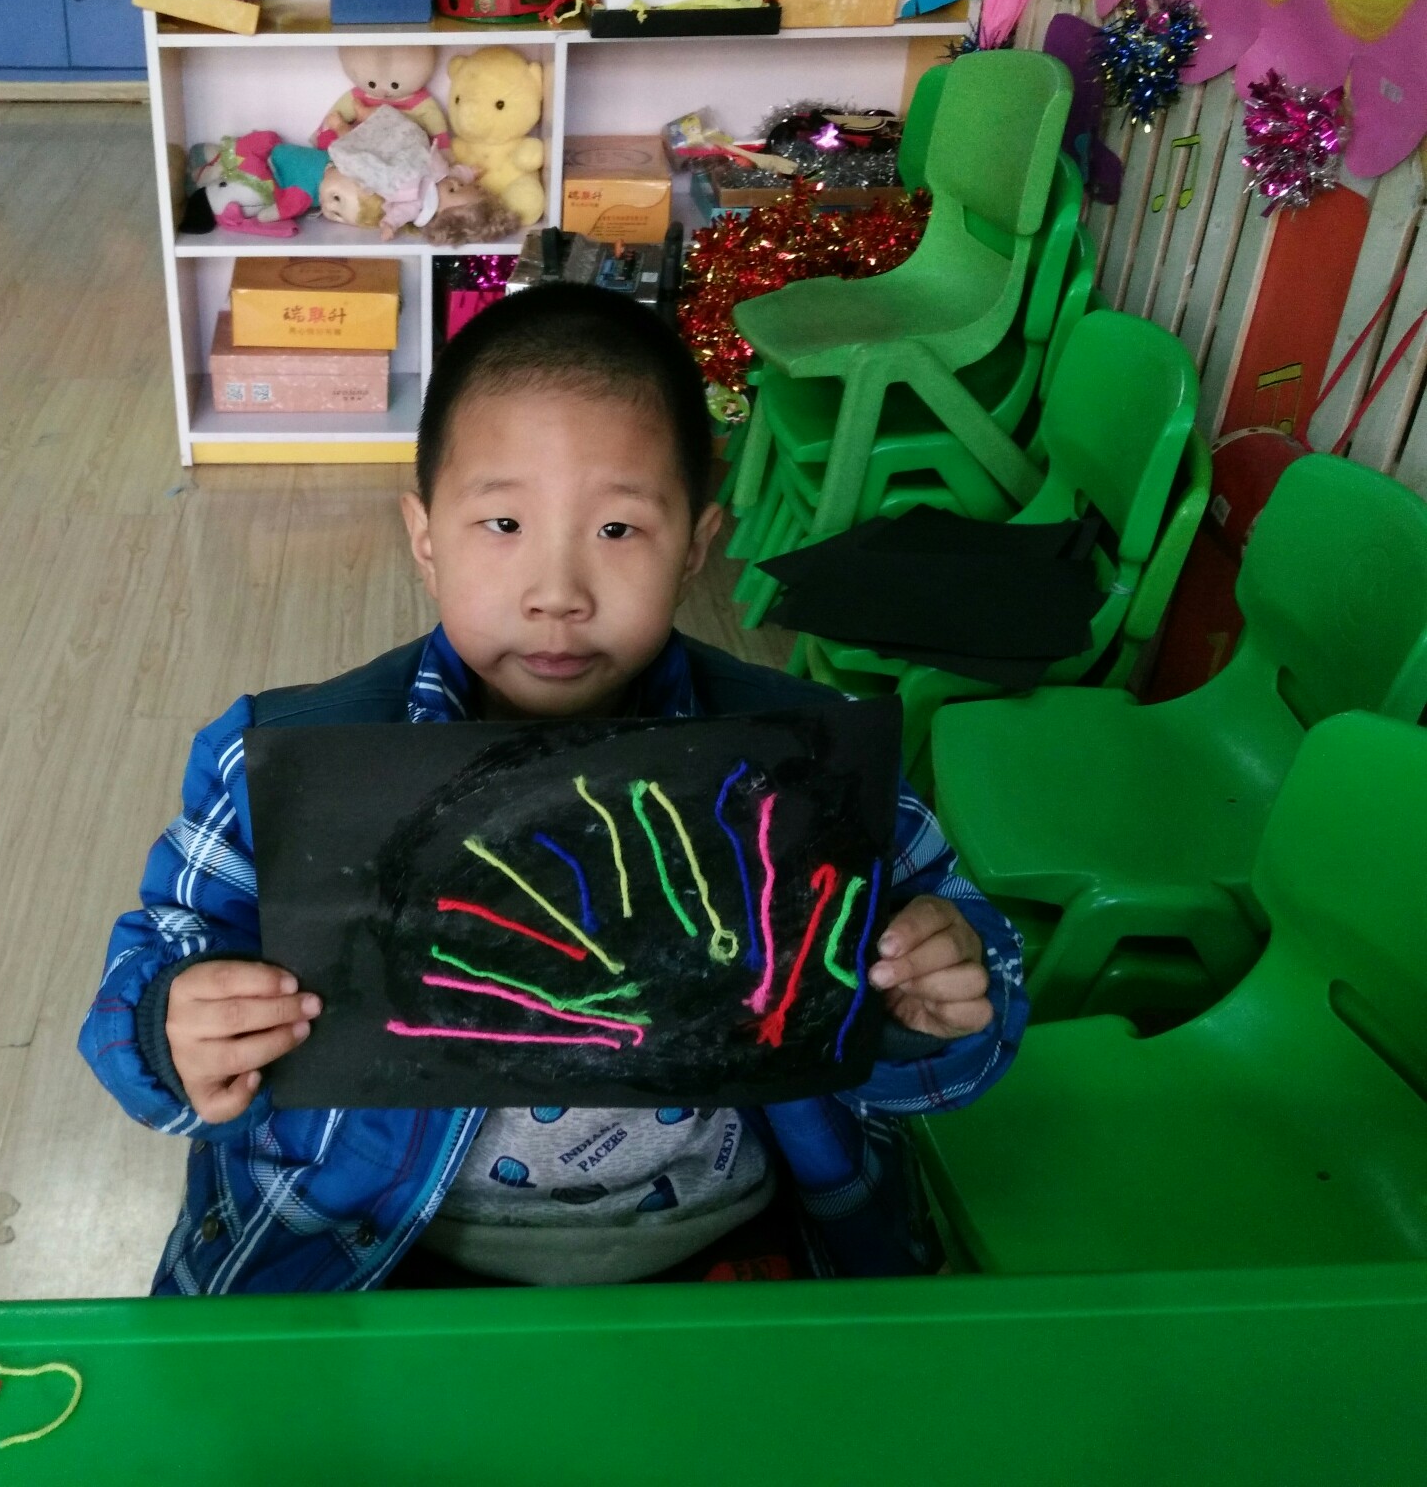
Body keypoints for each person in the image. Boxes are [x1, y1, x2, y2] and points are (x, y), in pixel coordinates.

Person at [80, 283, 1027, 1295]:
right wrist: (170, 1029)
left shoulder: (805, 763)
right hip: (374, 1256)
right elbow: (157, 961)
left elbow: (961, 1007)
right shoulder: (286, 762)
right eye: (502, 523)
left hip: (728, 1253)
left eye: (617, 530)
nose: (558, 593)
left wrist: (930, 1004)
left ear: (696, 545)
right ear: (425, 536)